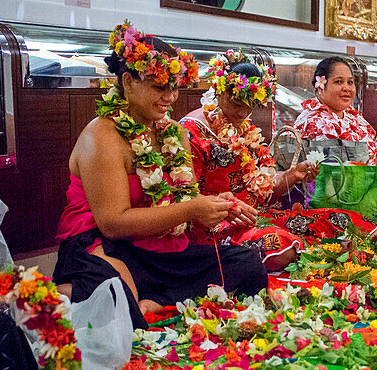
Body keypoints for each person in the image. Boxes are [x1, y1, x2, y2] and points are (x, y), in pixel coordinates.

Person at [53, 23, 267, 324]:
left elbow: (185, 198)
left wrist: (219, 204)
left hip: (161, 248)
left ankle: (157, 299)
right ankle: (66, 293)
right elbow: (113, 223)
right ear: (128, 82)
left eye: (175, 87)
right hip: (103, 243)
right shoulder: (101, 135)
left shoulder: (175, 132)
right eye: (159, 87)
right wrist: (192, 208)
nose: (170, 97)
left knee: (248, 264)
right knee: (118, 304)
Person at [182, 51, 375, 269]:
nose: (242, 112)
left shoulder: (246, 130)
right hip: (216, 230)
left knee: (339, 218)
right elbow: (184, 198)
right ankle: (333, 253)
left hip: (259, 217)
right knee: (276, 243)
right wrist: (227, 206)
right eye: (236, 102)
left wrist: (292, 175)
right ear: (218, 91)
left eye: (250, 105)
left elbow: (262, 192)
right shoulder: (192, 130)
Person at [292, 57, 377, 165]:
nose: (346, 88)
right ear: (320, 87)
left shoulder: (352, 116)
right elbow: (334, 170)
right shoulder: (313, 120)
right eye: (338, 82)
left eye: (350, 82)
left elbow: (372, 156)